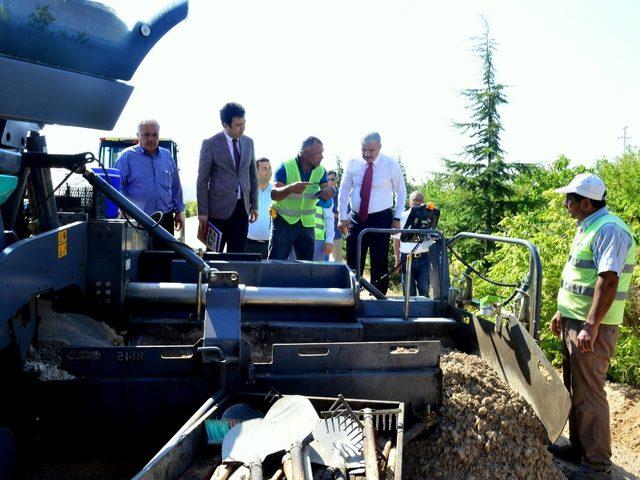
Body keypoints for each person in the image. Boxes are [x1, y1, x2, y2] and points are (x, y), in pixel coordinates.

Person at [547, 173, 636, 480]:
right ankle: (579, 447)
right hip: (578, 322)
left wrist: (591, 325)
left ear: (586, 203)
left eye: (570, 199)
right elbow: (581, 278)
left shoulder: (610, 229)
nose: (565, 203)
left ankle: (598, 467)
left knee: (589, 394)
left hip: (591, 328)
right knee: (575, 388)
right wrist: (563, 312)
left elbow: (607, 279)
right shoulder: (590, 226)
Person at [339, 132, 407, 295]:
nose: (367, 154)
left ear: (379, 148)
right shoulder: (353, 164)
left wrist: (397, 217)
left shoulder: (391, 165)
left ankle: (379, 298)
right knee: (353, 259)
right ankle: (350, 296)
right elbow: (344, 190)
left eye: (371, 150)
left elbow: (401, 192)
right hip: (356, 218)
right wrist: (342, 216)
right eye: (364, 150)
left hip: (381, 218)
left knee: (379, 260)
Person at [196, 102, 258, 253]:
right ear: (226, 125)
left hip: (242, 210)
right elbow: (202, 180)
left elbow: (253, 176)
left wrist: (254, 205)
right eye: (238, 125)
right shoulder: (210, 144)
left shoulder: (249, 142)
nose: (242, 128)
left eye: (244, 123)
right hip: (217, 212)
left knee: (238, 256)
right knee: (213, 256)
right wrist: (202, 213)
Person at [114, 119, 185, 237]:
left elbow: (175, 186)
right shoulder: (126, 157)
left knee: (165, 255)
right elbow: (117, 186)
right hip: (138, 220)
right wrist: (122, 209)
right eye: (146, 134)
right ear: (138, 136)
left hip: (165, 220)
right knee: (141, 255)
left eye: (154, 135)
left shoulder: (167, 157)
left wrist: (179, 212)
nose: (151, 138)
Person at [268, 137, 334, 261]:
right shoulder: (285, 168)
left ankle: (302, 281)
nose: (322, 157)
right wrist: (290, 189)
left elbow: (327, 190)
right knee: (276, 262)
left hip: (307, 224)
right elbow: (274, 194)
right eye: (318, 153)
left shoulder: (321, 171)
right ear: (305, 153)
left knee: (306, 265)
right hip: (283, 222)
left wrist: (331, 191)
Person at [393, 191, 431, 297]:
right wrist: (397, 259)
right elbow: (396, 240)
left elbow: (430, 237)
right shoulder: (402, 216)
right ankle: (410, 314)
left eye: (420, 200)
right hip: (407, 258)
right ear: (410, 202)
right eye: (415, 200)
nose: (418, 203)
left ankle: (422, 313)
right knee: (409, 291)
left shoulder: (427, 218)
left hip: (424, 257)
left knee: (424, 290)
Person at [245, 158, 272, 259]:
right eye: (264, 168)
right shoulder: (247, 191)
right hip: (248, 245)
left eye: (270, 168)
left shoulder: (276, 192)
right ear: (255, 171)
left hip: (269, 246)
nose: (269, 171)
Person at [327, 170, 344, 262]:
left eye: (332, 179)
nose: (330, 182)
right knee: (322, 263)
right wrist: (334, 214)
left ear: (336, 180)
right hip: (323, 235)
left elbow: (344, 214)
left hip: (336, 234)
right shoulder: (322, 194)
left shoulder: (340, 195)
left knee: (337, 262)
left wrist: (329, 213)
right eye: (328, 179)